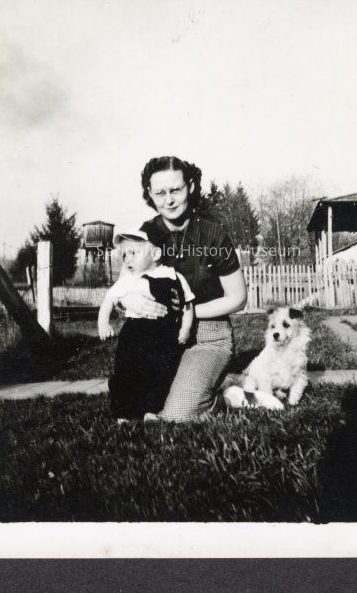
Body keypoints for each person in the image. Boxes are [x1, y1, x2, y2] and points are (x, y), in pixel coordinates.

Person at [118, 155, 248, 422]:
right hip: (157, 340)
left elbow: (238, 298)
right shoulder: (144, 234)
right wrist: (128, 301)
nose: (169, 200)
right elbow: (123, 289)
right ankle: (202, 386)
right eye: (160, 193)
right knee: (141, 407)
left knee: (176, 415)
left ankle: (226, 400)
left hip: (208, 336)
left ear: (190, 186)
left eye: (175, 190)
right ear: (149, 194)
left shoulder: (214, 234)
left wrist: (187, 311)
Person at [98, 228, 195, 421]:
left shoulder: (175, 276)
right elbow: (109, 300)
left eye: (133, 253)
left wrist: (185, 328)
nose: (127, 259)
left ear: (156, 254)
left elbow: (188, 305)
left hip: (165, 335)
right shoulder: (129, 280)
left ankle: (151, 410)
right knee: (126, 372)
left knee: (161, 373)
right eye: (124, 254)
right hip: (135, 333)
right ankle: (124, 412)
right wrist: (103, 323)